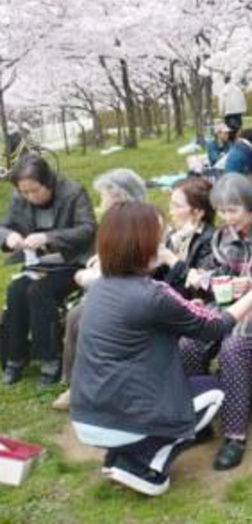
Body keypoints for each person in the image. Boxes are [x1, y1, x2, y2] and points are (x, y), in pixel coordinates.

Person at [70, 202, 252, 496]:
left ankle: (121, 454)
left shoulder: (99, 287)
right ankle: (150, 466)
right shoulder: (153, 295)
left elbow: (149, 320)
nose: (161, 245)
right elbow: (216, 326)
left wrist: (184, 309)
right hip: (124, 418)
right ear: (142, 245)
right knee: (214, 390)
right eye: (157, 239)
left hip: (87, 416)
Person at [180, 173, 252, 470]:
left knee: (233, 349)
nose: (226, 218)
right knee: (189, 343)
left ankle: (234, 436)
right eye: (221, 211)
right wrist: (212, 279)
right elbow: (213, 272)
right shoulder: (222, 236)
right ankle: (200, 419)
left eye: (233, 211)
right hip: (228, 303)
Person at [53, 168, 147, 410]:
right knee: (76, 315)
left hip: (129, 295)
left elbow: (125, 272)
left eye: (104, 196)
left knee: (84, 318)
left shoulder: (137, 226)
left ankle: (91, 388)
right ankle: (76, 385)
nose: (101, 202)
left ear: (119, 197)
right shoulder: (115, 223)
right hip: (112, 291)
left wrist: (86, 277)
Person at [0, 154, 97, 385]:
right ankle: (15, 357)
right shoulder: (20, 197)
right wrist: (9, 237)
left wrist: (48, 236)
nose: (29, 197)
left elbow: (87, 229)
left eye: (34, 190)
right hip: (39, 263)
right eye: (24, 192)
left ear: (48, 182)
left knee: (39, 291)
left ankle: (49, 358)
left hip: (73, 262)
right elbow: (3, 227)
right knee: (15, 290)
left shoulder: (73, 192)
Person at [156, 176, 217, 299]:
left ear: (198, 212)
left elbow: (201, 285)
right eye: (171, 205)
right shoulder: (174, 236)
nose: (170, 212)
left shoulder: (212, 240)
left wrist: (172, 260)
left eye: (177, 206)